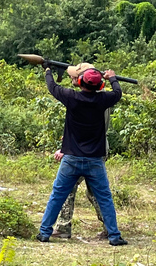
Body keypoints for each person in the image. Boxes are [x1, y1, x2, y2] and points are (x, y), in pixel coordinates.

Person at [36, 62, 127, 246]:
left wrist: (47, 70)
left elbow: (52, 87)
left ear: (79, 82)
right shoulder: (103, 100)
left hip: (71, 158)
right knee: (104, 198)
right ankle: (114, 236)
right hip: (95, 160)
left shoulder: (71, 98)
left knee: (58, 196)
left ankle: (44, 233)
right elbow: (118, 93)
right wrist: (112, 78)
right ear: (100, 86)